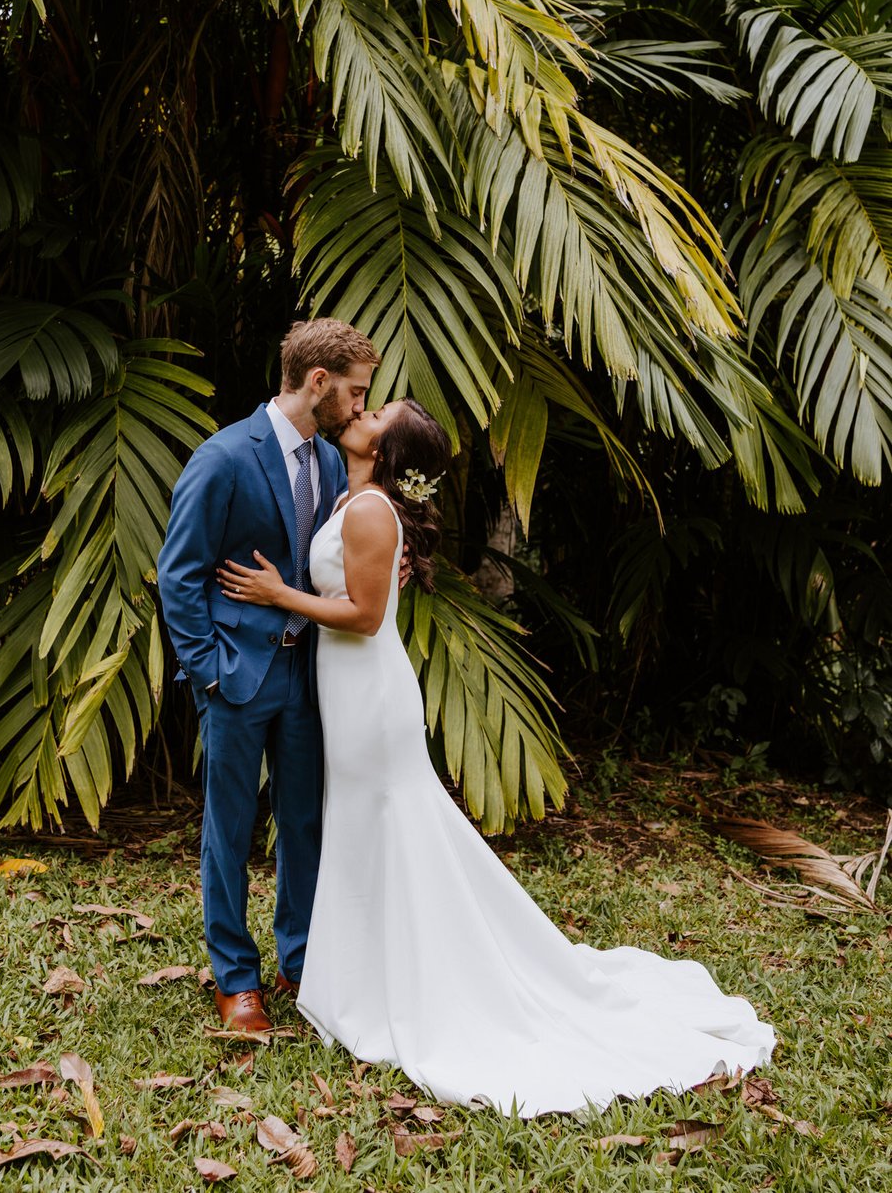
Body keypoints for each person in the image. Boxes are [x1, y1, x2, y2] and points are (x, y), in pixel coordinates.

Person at [216, 398, 776, 1116]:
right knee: (368, 828)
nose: (360, 413)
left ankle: (404, 982)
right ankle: (369, 973)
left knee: (390, 825)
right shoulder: (356, 496)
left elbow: (364, 614)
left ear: (385, 453)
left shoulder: (369, 511)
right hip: (354, 692)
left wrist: (277, 593)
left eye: (375, 415)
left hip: (368, 695)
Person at [157, 318, 379, 1035]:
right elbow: (178, 575)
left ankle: (301, 961)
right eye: (354, 392)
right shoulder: (223, 458)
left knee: (305, 823)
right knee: (230, 828)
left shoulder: (333, 462)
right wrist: (210, 673)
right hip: (237, 677)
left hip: (310, 677)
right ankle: (235, 979)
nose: (358, 406)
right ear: (318, 382)